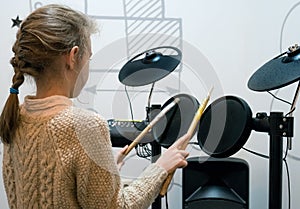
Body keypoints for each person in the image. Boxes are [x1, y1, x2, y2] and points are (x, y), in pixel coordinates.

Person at [0, 4, 190, 209]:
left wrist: (106, 175)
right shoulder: (84, 126)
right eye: (88, 57)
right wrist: (160, 169)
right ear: (73, 57)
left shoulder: (14, 117)